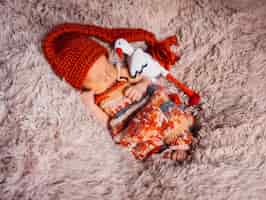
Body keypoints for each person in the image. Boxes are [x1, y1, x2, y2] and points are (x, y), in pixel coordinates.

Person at [42, 23, 199, 161]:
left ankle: (181, 141)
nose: (107, 74)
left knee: (170, 113)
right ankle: (162, 151)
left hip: (152, 106)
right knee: (138, 145)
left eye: (106, 66)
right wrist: (90, 106)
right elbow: (108, 122)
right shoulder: (99, 99)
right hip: (135, 125)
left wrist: (140, 87)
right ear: (84, 87)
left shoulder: (121, 73)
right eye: (98, 77)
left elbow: (145, 79)